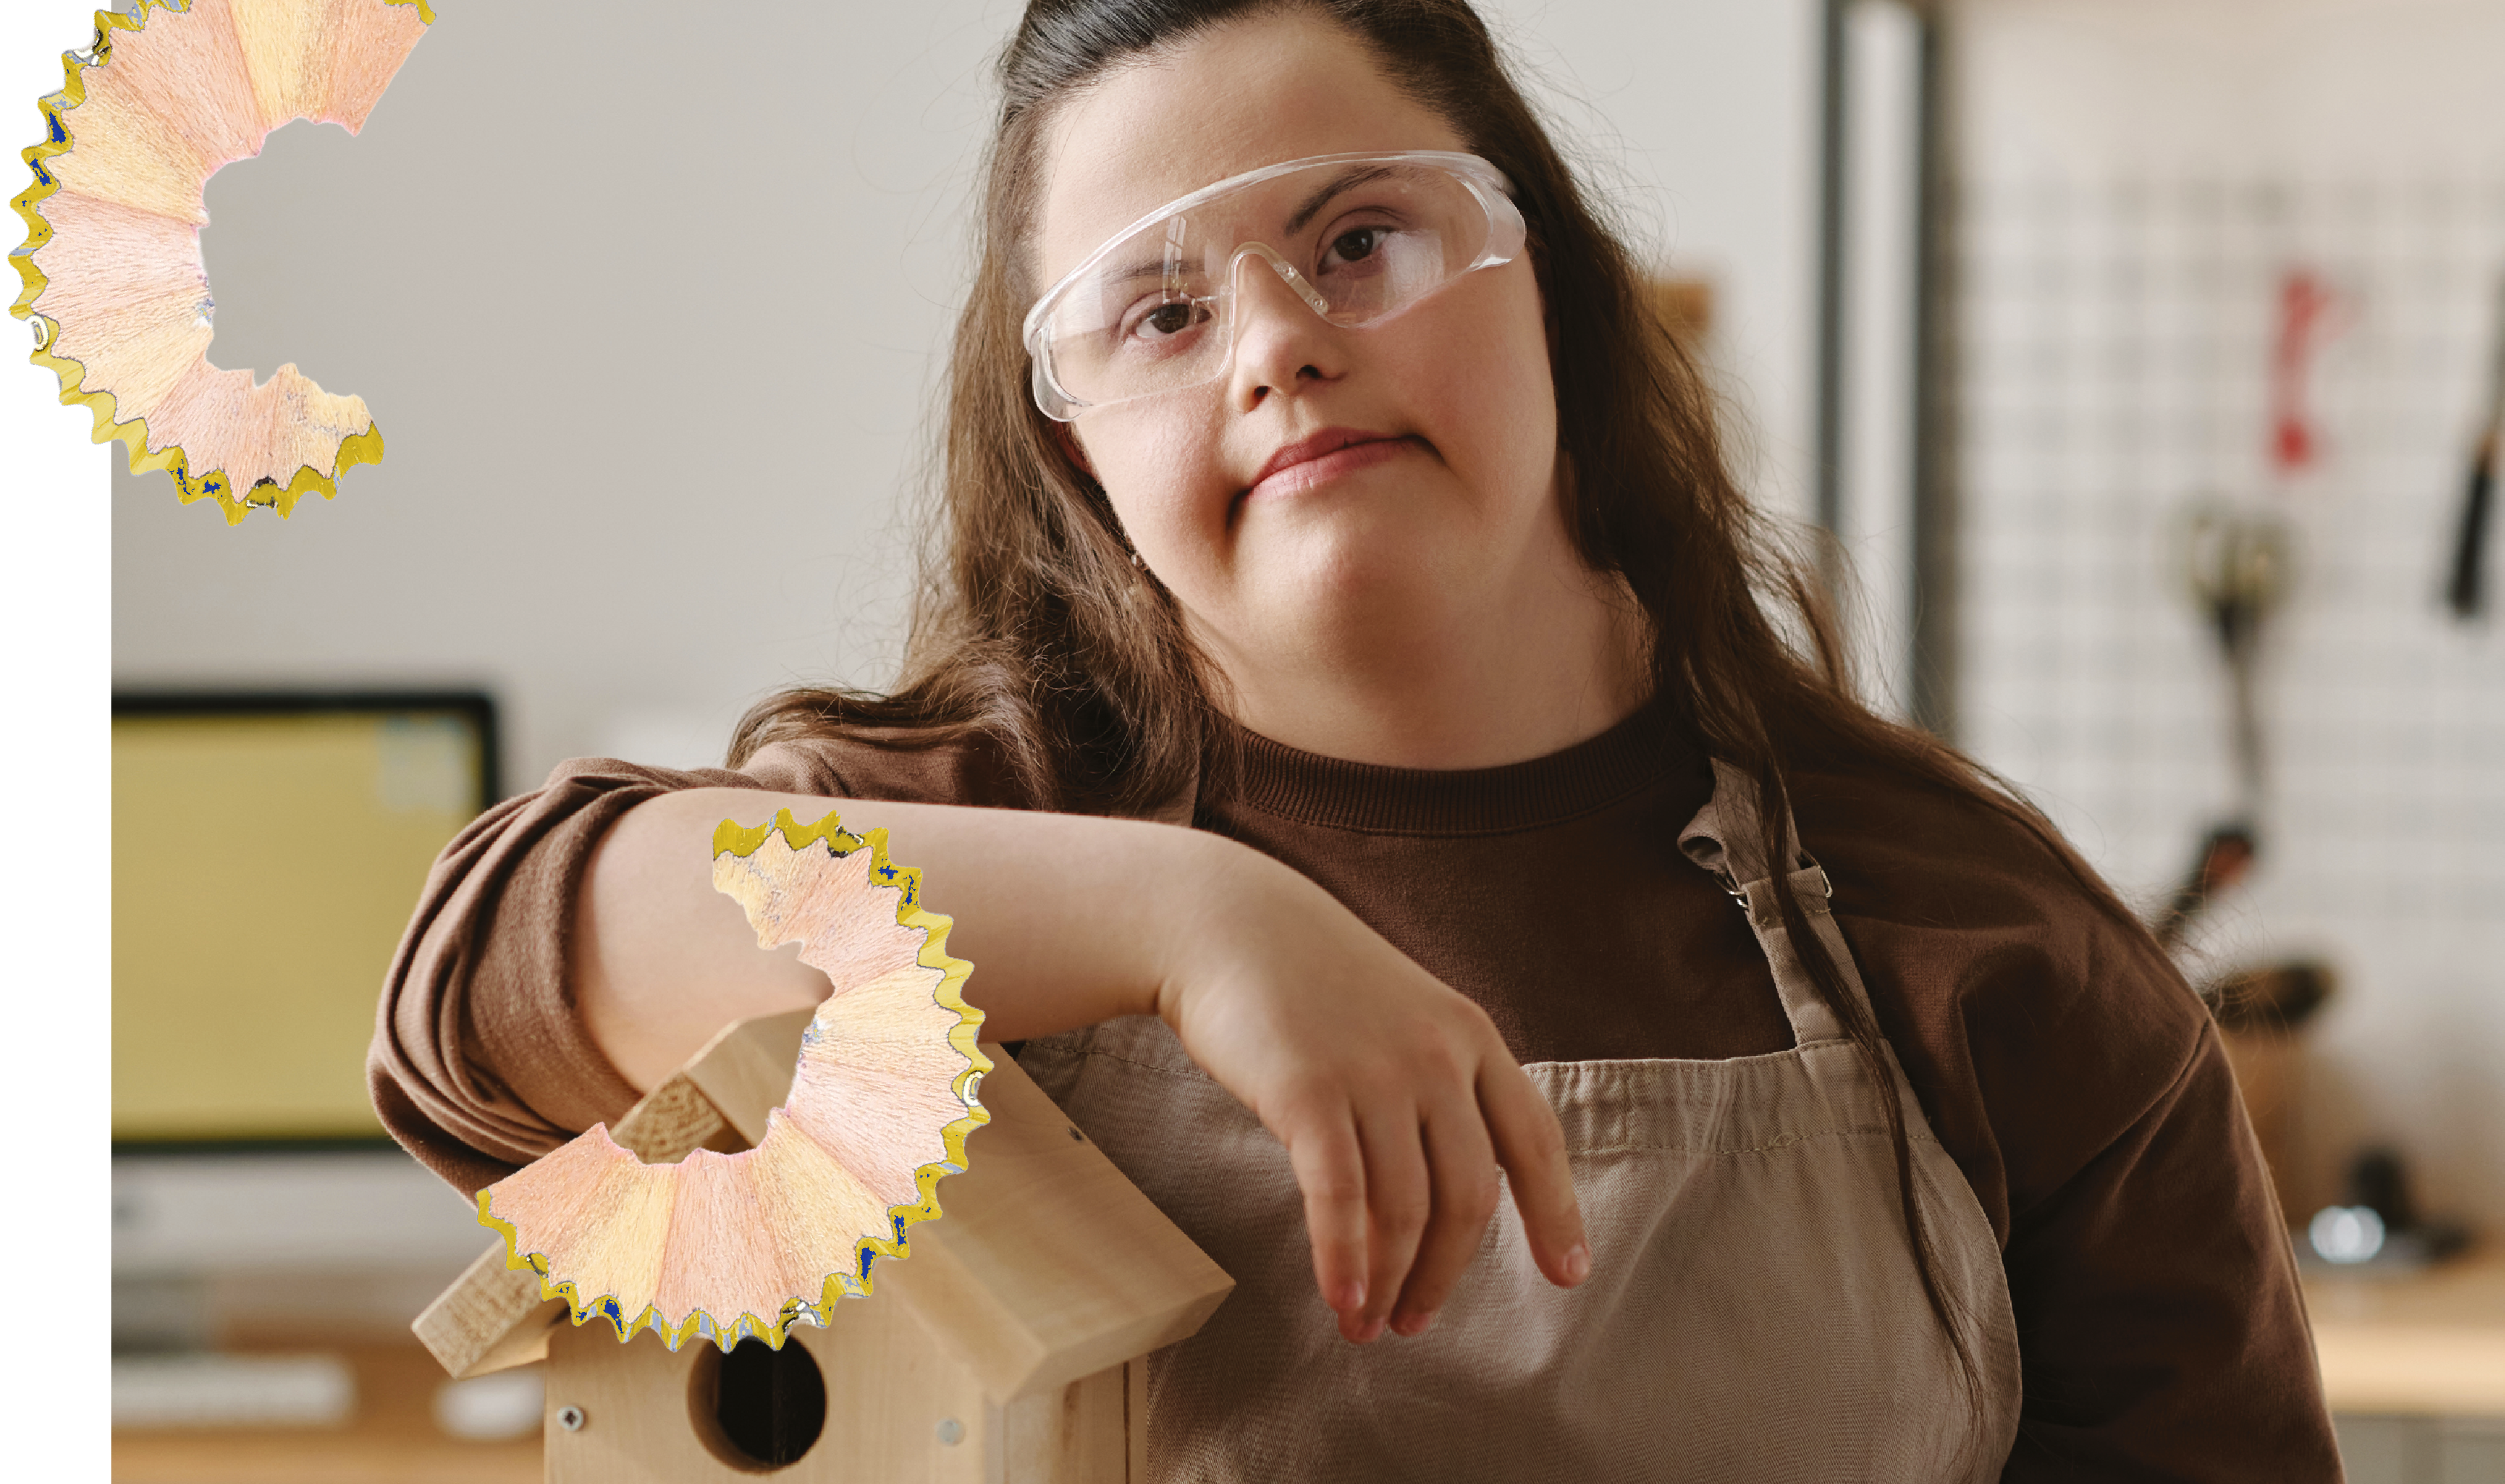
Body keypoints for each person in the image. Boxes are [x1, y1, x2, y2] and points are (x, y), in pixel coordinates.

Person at [370, 0, 2340, 1475]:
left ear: (1548, 283)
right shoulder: (989, 839)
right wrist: (1187, 922)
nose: (1273, 344)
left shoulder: (1983, 947)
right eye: (1151, 311)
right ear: (1076, 451)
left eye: (1357, 241)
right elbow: (488, 965)